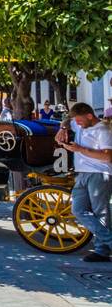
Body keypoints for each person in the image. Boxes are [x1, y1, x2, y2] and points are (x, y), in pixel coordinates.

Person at [56, 102, 112, 262]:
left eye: (79, 120)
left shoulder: (103, 130)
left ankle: (102, 250)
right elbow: (68, 119)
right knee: (78, 209)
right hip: (82, 173)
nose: (77, 124)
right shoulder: (79, 124)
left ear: (89, 116)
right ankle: (107, 244)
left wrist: (80, 149)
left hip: (100, 173)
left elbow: (108, 156)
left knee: (100, 212)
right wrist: (63, 128)